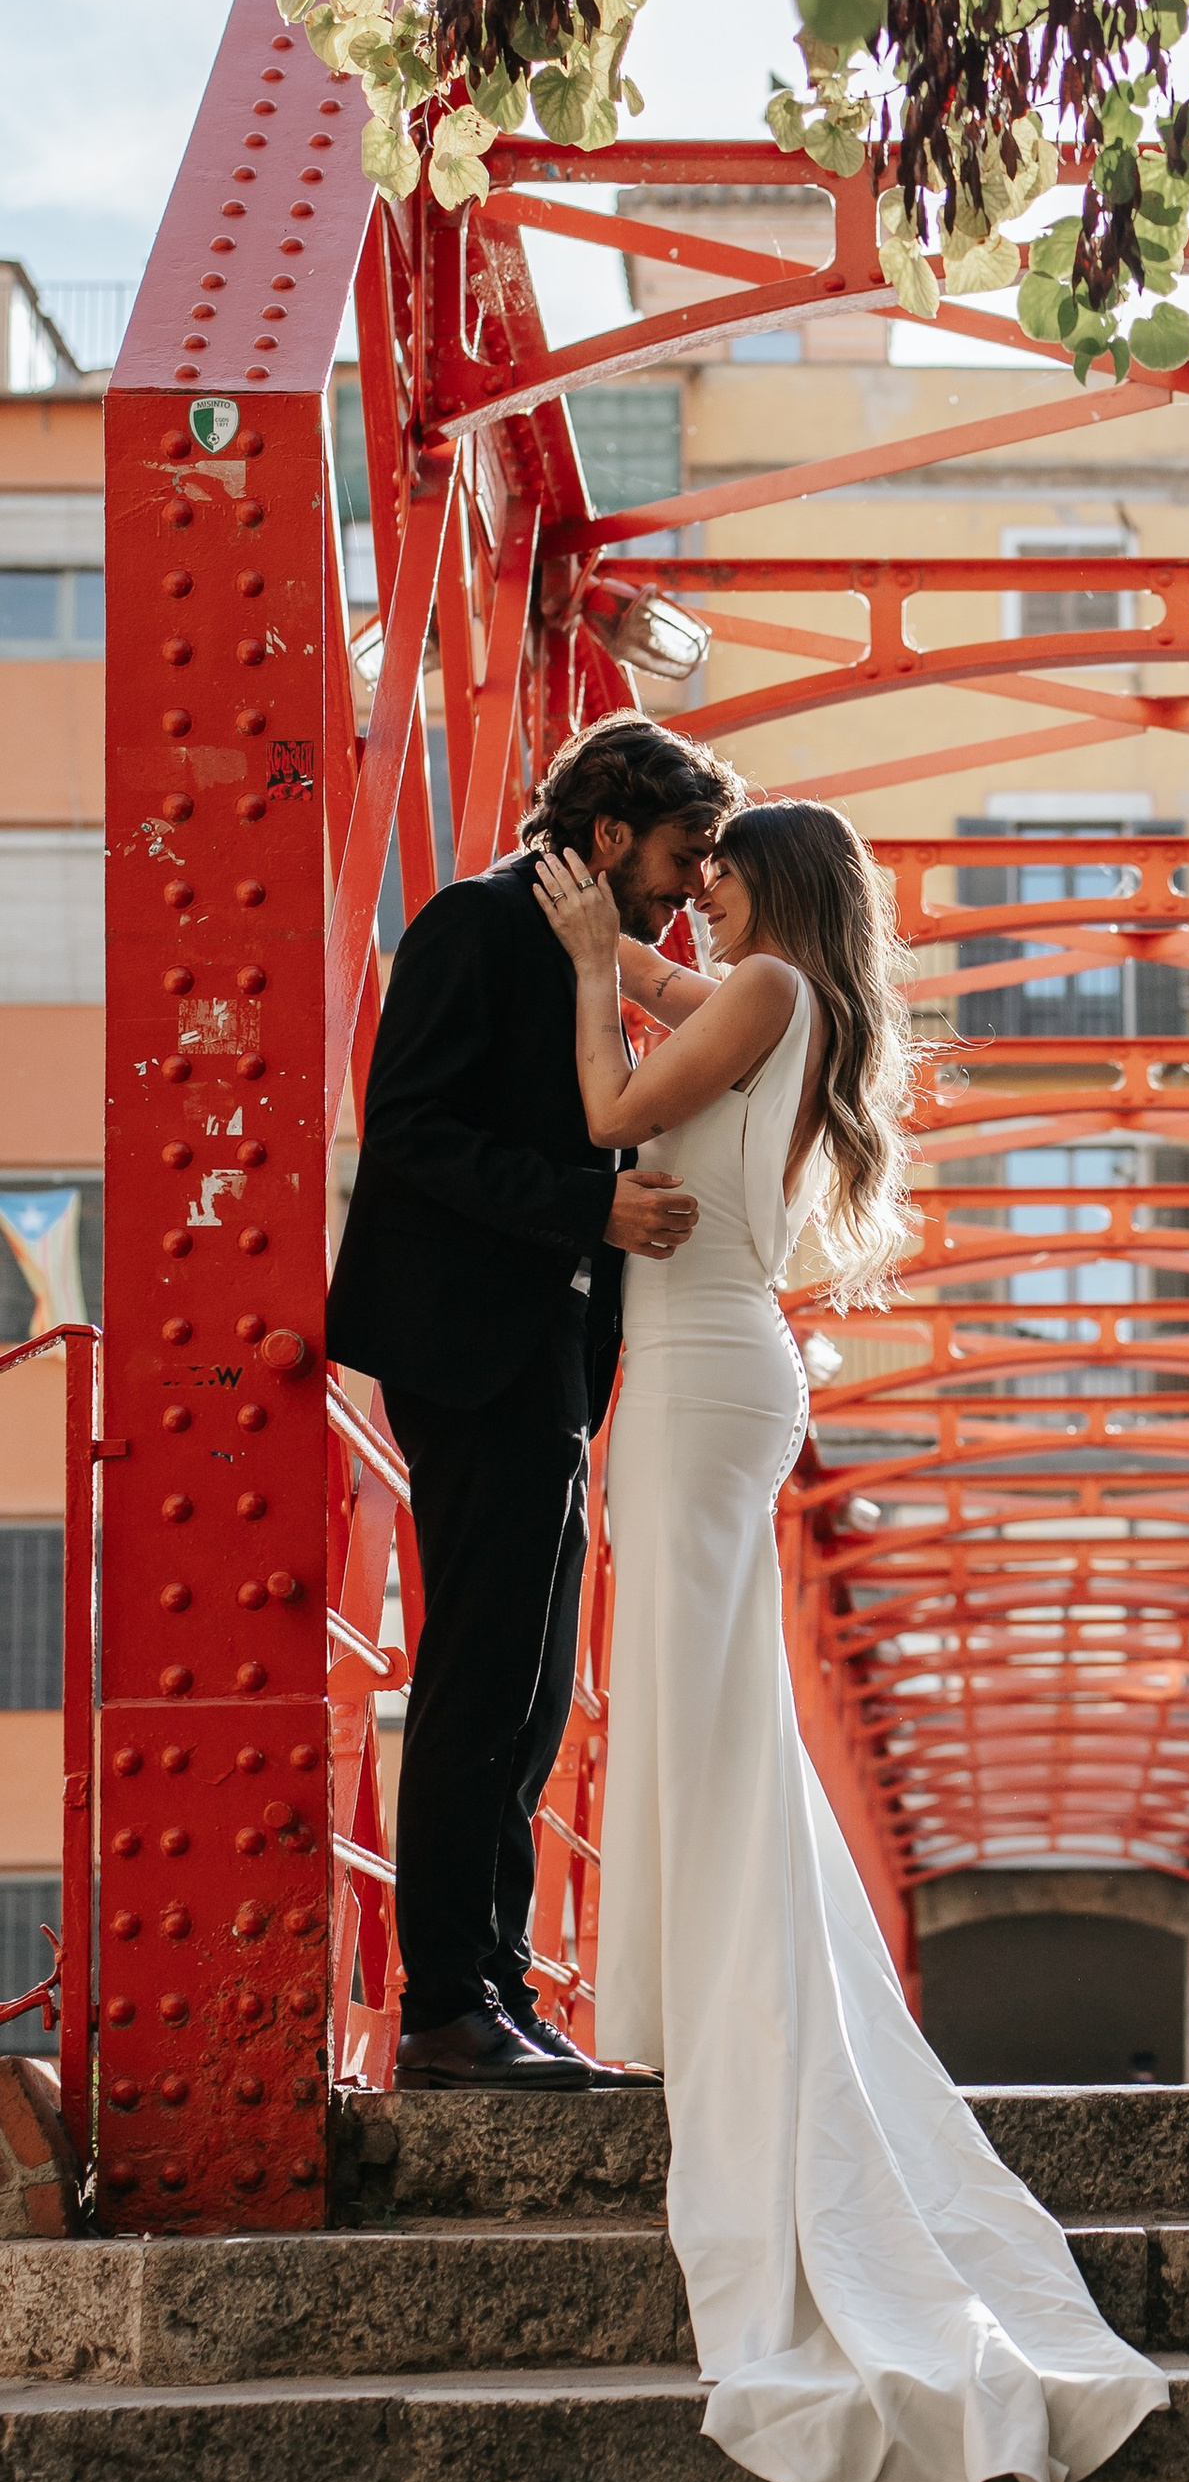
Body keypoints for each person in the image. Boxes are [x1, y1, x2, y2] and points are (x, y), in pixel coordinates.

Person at [533, 800, 1169, 2482]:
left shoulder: (763, 992)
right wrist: (608, 937)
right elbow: (677, 1002)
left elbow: (609, 1110)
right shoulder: (771, 997)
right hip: (719, 1367)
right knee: (712, 1709)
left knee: (711, 1710)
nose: (697, 881)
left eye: (719, 861)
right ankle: (694, 1996)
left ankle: (718, 2018)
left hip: (702, 1375)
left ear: (780, 883)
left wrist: (592, 961)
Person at [328, 711, 744, 2089]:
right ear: (612, 836)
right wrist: (594, 1208)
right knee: (481, 1679)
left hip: (543, 1363)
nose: (692, 892)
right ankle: (447, 2005)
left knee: (533, 1686)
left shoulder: (577, 945)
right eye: (685, 857)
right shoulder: (471, 923)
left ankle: (490, 1986)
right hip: (474, 1356)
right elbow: (412, 1135)